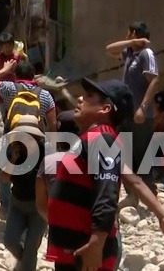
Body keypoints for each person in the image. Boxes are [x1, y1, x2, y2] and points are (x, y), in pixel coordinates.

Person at [36, 78, 131, 271]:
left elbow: (107, 192)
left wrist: (96, 243)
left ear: (105, 109)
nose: (79, 98)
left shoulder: (103, 138)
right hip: (72, 250)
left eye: (88, 96)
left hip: (86, 252)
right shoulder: (90, 138)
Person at [0, 60, 57, 220]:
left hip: (12, 138)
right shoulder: (45, 95)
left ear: (17, 76)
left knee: (4, 172)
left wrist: (4, 69)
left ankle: (6, 208)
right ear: (33, 76)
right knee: (41, 175)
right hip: (36, 140)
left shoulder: (10, 88)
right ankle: (40, 208)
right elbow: (53, 123)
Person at [105, 21, 159, 208]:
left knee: (142, 155)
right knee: (124, 152)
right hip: (126, 112)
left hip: (141, 114)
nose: (126, 37)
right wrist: (131, 43)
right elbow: (109, 49)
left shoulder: (146, 54)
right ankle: (132, 195)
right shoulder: (129, 53)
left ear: (134, 33)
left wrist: (143, 108)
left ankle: (151, 195)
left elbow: (153, 81)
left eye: (128, 34)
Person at [0, 115, 48, 271]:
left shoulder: (45, 152)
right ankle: (23, 260)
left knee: (31, 248)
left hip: (39, 207)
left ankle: (27, 263)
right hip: (18, 204)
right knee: (10, 241)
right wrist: (13, 161)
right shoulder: (13, 150)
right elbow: (5, 179)